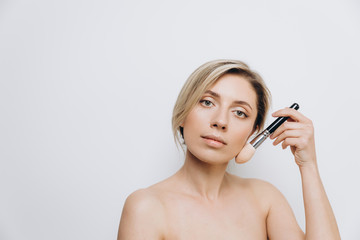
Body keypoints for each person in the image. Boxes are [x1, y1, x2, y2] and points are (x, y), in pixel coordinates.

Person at [117, 59, 340, 239]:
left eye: (240, 112)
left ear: (253, 132)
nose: (220, 121)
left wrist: (308, 165)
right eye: (207, 102)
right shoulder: (146, 207)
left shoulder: (265, 199)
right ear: (183, 112)